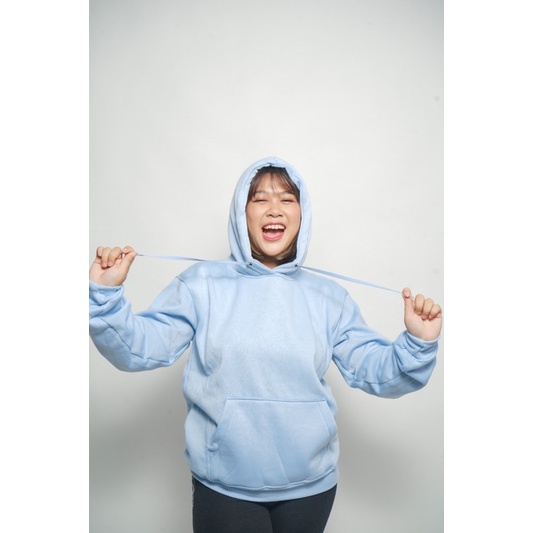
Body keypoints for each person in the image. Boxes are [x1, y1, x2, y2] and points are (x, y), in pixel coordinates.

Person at [89, 156, 442, 533]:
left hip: (311, 487)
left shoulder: (329, 298)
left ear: (302, 215)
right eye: (260, 199)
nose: (274, 209)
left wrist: (417, 343)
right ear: (241, 214)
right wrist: (104, 297)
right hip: (225, 486)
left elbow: (374, 370)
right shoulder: (201, 284)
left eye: (287, 199)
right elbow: (140, 348)